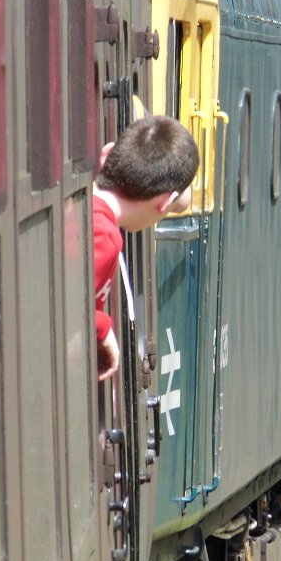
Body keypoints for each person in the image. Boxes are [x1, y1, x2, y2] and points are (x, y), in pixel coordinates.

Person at [92, 115, 200, 381]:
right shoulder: (104, 235)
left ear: (107, 154)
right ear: (164, 203)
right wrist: (103, 330)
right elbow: (65, 306)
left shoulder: (87, 207)